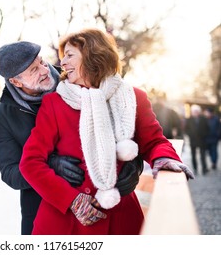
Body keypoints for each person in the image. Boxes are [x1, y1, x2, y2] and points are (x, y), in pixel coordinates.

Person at [19, 28, 194, 235]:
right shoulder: (54, 103)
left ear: (93, 54)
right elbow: (30, 163)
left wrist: (164, 159)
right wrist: (72, 200)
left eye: (69, 55)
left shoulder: (133, 97)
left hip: (119, 218)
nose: (62, 63)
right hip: (66, 223)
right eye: (62, 57)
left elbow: (155, 142)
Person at [0, 41, 144, 235]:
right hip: (46, 211)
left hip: (103, 201)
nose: (44, 70)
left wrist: (134, 165)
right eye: (33, 70)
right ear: (16, 81)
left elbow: (123, 127)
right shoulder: (3, 115)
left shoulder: (74, 79)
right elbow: (9, 172)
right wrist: (50, 165)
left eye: (42, 62)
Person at [185, 104, 210, 175]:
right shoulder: (189, 119)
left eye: (197, 111)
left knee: (203, 156)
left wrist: (204, 135)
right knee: (193, 156)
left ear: (199, 112)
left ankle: (204, 169)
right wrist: (190, 135)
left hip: (202, 140)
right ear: (192, 112)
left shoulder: (203, 118)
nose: (195, 113)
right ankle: (195, 168)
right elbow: (186, 129)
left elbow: (207, 128)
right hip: (193, 140)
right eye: (194, 111)